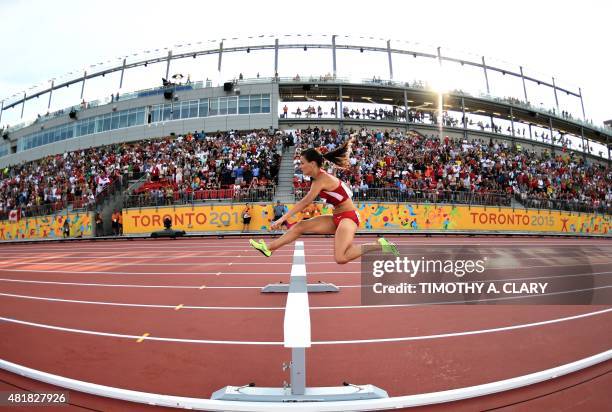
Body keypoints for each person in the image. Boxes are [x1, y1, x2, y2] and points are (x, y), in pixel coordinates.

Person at [250, 138, 399, 264]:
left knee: (341, 258)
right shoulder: (318, 179)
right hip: (337, 217)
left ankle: (378, 244)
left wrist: (282, 219)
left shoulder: (321, 180)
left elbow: (305, 202)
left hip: (349, 217)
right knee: (300, 226)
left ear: (313, 164)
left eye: (302, 163)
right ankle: (268, 249)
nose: (299, 166)